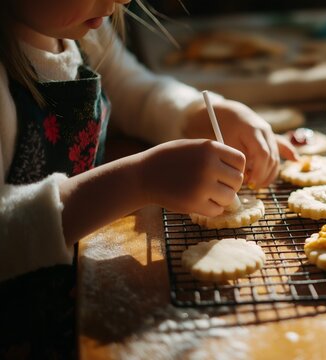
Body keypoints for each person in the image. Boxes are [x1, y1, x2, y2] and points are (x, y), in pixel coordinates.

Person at [0, 0, 297, 356]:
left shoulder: (82, 26)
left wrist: (204, 114)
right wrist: (139, 180)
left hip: (83, 299)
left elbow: (136, 93)